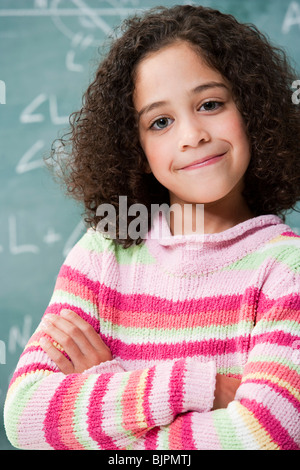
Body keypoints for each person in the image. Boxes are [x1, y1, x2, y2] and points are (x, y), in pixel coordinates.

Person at [4, 5, 300, 450]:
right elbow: (25, 417)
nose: (192, 135)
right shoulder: (103, 252)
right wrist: (199, 387)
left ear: (253, 110)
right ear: (137, 149)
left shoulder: (287, 268)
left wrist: (107, 388)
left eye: (211, 104)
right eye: (160, 122)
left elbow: (261, 437)